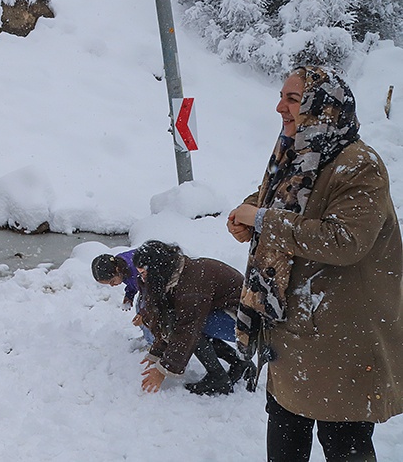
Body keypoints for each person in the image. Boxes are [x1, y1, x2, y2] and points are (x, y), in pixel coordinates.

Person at [227, 65, 403, 462]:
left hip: (341, 335)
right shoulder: (298, 152)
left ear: (324, 108)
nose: (280, 107)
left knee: (345, 444)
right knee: (285, 437)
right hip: (291, 328)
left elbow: (346, 241)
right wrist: (249, 213)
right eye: (282, 97)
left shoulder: (359, 164)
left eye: (292, 99)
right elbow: (274, 197)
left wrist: (264, 222)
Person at [133, 240, 253, 396]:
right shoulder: (175, 275)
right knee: (182, 321)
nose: (142, 279)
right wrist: (157, 353)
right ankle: (239, 363)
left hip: (245, 324)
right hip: (225, 315)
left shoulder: (191, 284)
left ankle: (218, 377)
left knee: (191, 327)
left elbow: (187, 327)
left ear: (157, 269)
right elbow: (166, 318)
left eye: (144, 273)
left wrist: (162, 370)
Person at [91, 250, 152, 344]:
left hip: (163, 287)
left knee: (150, 314)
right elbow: (133, 283)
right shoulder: (119, 266)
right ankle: (148, 336)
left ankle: (155, 342)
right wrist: (129, 295)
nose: (112, 285)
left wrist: (144, 313)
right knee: (140, 308)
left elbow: (154, 294)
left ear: (117, 271)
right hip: (148, 288)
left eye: (112, 281)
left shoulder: (136, 269)